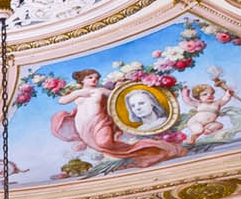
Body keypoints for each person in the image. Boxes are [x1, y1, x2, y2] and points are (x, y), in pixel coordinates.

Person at [51, 70, 186, 169]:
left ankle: (150, 149)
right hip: (82, 126)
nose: (94, 80)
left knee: (104, 143)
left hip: (100, 121)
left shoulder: (100, 91)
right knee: (101, 145)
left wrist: (119, 86)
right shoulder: (78, 93)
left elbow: (117, 95)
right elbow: (62, 101)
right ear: (82, 80)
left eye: (96, 77)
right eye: (90, 77)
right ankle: (135, 152)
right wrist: (80, 92)